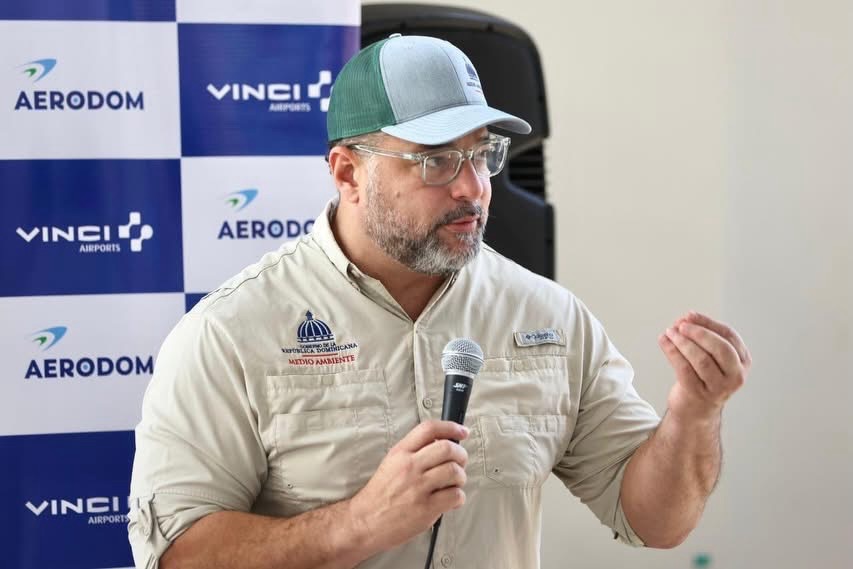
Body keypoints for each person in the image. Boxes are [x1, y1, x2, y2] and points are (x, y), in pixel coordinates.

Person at [128, 34, 751, 569]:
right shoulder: (232, 332)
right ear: (347, 173)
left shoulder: (549, 318)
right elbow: (179, 555)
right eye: (435, 160)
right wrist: (359, 523)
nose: (472, 187)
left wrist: (693, 416)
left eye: (481, 154)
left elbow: (655, 522)